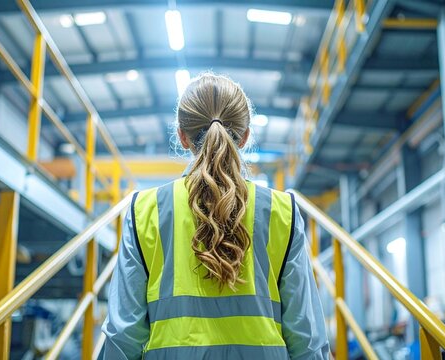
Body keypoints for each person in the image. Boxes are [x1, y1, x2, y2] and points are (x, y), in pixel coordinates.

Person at [102, 73, 329, 359]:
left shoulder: (143, 210)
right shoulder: (281, 210)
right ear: (245, 136)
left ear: (182, 136)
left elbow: (123, 335)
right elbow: (306, 337)